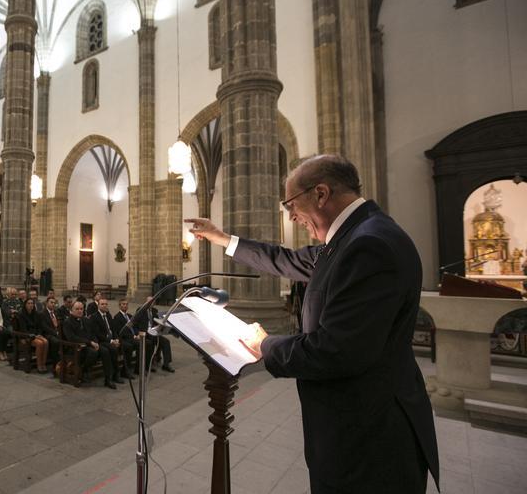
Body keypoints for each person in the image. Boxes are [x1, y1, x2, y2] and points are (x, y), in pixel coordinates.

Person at [186, 154, 439, 493]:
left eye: (290, 203)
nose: (290, 215)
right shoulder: (352, 237)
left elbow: (336, 351)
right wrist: (222, 239)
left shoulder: (368, 245)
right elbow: (284, 259)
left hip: (371, 440)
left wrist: (263, 344)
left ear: (321, 194)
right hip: (357, 430)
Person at [63, 301, 116, 389]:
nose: (80, 311)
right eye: (77, 309)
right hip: (76, 347)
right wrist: (90, 342)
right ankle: (83, 370)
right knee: (93, 353)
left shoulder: (86, 320)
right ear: (71, 310)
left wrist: (95, 342)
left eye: (81, 309)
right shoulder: (68, 322)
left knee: (105, 351)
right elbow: (72, 338)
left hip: (89, 345)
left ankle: (108, 379)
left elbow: (92, 333)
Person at [87, 297, 124, 384]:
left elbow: (113, 329)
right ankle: (109, 378)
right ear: (98, 306)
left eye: (106, 304)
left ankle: (117, 374)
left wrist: (116, 339)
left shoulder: (108, 315)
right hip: (101, 341)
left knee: (120, 346)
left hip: (110, 340)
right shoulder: (94, 317)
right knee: (109, 350)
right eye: (102, 304)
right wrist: (111, 341)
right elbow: (98, 334)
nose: (104, 306)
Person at [17, 298, 49, 372]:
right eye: (29, 303)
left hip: (36, 335)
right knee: (40, 343)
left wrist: (39, 334)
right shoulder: (22, 315)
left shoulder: (36, 314)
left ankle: (43, 364)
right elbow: (23, 329)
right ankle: (39, 365)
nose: (31, 305)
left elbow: (39, 326)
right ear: (25, 305)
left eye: (32, 303)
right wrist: (34, 335)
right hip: (26, 336)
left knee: (46, 342)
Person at [112, 298, 137, 378]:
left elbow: (135, 327)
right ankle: (125, 371)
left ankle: (139, 367)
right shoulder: (117, 317)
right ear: (119, 306)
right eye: (123, 304)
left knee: (145, 343)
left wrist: (137, 334)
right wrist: (133, 336)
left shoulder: (130, 316)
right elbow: (121, 332)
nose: (125, 306)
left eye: (126, 304)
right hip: (125, 338)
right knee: (129, 347)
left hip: (132, 337)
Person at [38, 297, 62, 371]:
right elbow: (44, 327)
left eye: (54, 303)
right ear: (46, 303)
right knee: (56, 341)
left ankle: (62, 362)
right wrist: (56, 333)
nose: (53, 304)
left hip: (56, 333)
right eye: (51, 302)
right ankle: (55, 364)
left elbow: (59, 324)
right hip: (47, 334)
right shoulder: (42, 313)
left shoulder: (56, 312)